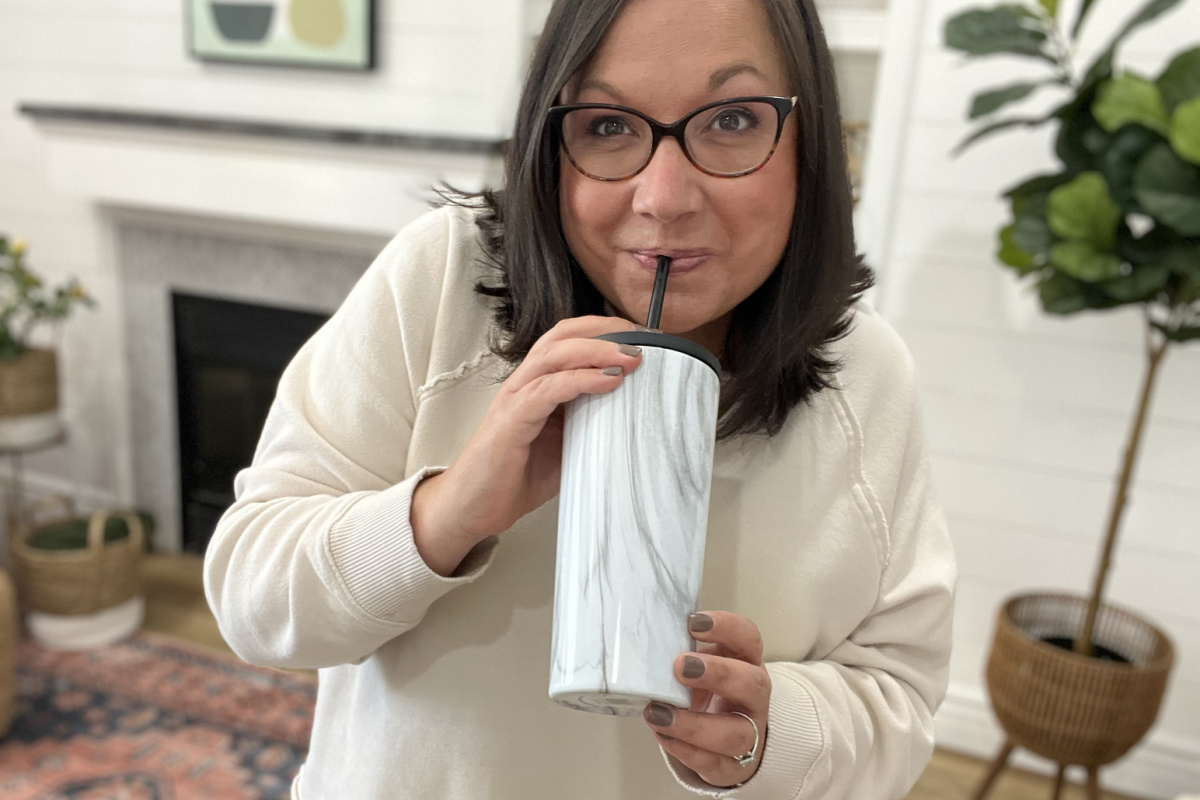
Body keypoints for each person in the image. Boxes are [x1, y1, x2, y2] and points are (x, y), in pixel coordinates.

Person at [203, 0, 956, 797]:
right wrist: (447, 512)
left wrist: (775, 732)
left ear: (810, 142)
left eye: (731, 119)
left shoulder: (863, 375)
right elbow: (253, 605)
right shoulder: (441, 281)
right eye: (607, 126)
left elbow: (899, 703)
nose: (663, 197)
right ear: (549, 141)